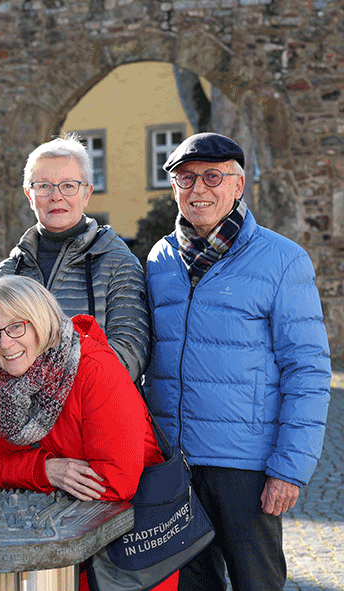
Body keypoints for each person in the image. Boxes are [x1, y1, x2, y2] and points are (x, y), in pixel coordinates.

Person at [145, 132, 331, 591]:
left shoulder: (283, 260)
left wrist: (289, 468)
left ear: (238, 185)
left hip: (246, 468)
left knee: (257, 583)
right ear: (173, 188)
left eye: (213, 176)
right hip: (175, 464)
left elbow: (307, 370)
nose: (199, 189)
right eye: (185, 179)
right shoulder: (158, 259)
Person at [0, 274, 177, 591]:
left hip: (127, 560)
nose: (5, 344)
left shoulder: (94, 371)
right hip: (48, 554)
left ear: (42, 322)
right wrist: (44, 470)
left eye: (17, 327)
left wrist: (12, 473)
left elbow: (115, 483)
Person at [0, 134, 149, 404]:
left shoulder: (118, 263)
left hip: (93, 426)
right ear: (29, 194)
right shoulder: (5, 274)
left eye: (68, 186)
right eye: (44, 186)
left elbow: (131, 352)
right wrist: (12, 402)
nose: (56, 196)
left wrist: (51, 400)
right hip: (20, 438)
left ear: (87, 193)